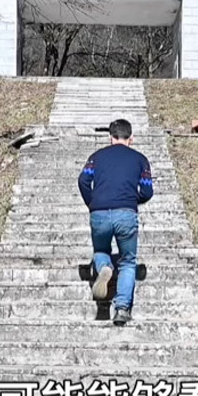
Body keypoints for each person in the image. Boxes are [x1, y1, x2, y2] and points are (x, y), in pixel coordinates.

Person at [78, 118, 153, 326]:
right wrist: (132, 200)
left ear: (110, 137)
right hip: (126, 213)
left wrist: (92, 202)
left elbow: (83, 180)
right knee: (128, 261)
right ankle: (121, 309)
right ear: (131, 138)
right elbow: (147, 190)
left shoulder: (96, 157)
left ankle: (103, 267)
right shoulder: (140, 159)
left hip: (99, 212)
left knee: (101, 251)